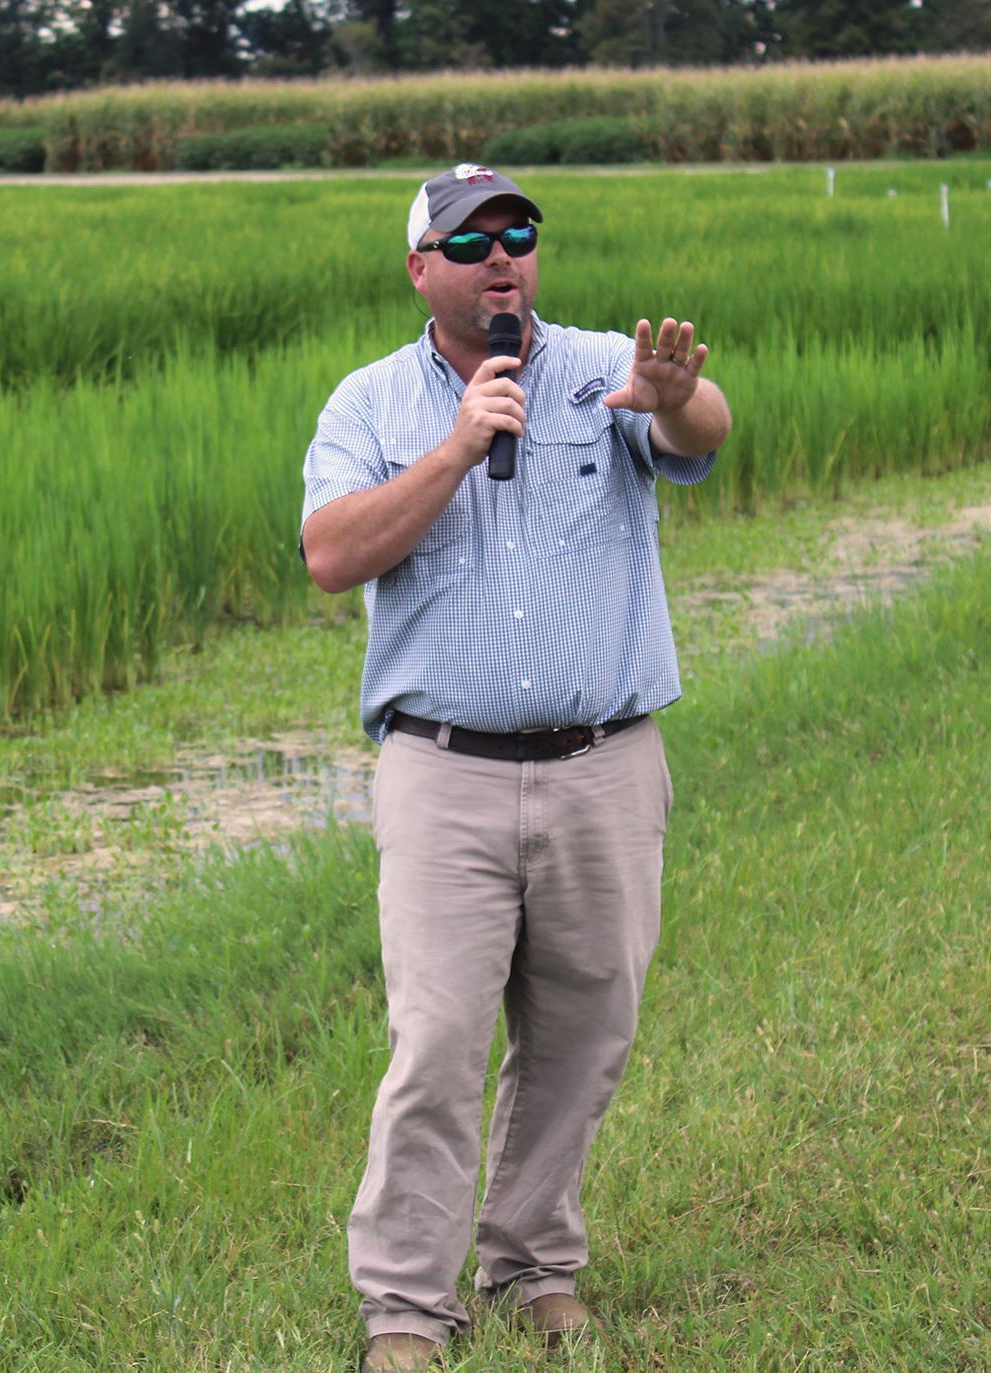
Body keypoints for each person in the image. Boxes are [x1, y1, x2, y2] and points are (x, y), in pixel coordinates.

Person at [300, 163, 731, 1373]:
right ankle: (405, 1306)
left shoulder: (606, 366)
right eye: (471, 239)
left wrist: (677, 397)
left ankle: (534, 1262)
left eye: (520, 234)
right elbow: (331, 554)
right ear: (420, 267)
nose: (502, 257)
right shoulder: (373, 402)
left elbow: (700, 432)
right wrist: (453, 449)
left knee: (586, 1029)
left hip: (605, 762)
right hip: (445, 773)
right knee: (435, 1039)